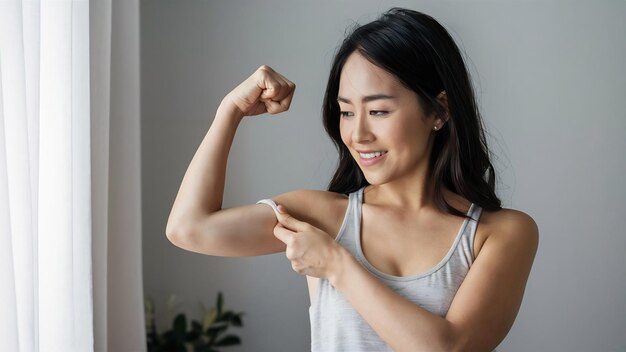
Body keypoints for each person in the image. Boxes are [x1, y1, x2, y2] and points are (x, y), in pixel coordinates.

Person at [165, 7, 538, 352]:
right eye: (346, 112)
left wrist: (336, 265)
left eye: (377, 110)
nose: (357, 134)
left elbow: (450, 347)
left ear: (439, 110)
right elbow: (189, 229)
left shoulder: (501, 233)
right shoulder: (323, 216)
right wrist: (229, 111)